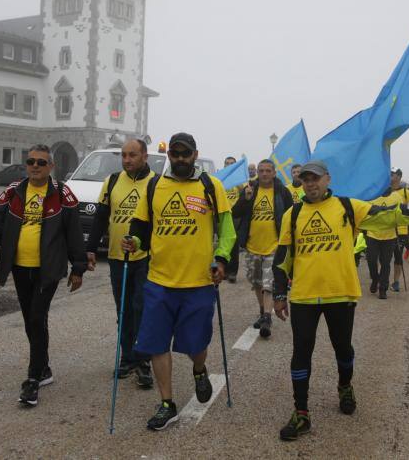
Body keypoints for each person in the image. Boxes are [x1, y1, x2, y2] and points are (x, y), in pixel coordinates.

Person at [272, 160, 409, 441]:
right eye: (305, 179)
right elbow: (282, 258)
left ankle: (345, 386)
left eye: (315, 178)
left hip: (341, 293)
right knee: (301, 354)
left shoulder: (347, 207)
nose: (310, 183)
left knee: (343, 349)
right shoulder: (293, 214)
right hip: (303, 296)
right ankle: (301, 413)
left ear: (327, 178)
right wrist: (279, 294)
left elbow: (388, 216)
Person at [122, 132, 236, 431]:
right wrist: (133, 241)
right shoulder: (155, 186)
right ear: (169, 156)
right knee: (157, 344)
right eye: (176, 154)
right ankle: (167, 404)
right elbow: (140, 229)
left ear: (195, 155)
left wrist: (221, 259)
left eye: (186, 154)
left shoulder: (212, 186)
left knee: (194, 344)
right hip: (159, 281)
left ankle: (199, 370)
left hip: (198, 282)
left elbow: (227, 230)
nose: (181, 159)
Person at [0, 144, 88, 407]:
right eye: (31, 162)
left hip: (48, 269)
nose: (35, 166)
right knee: (31, 319)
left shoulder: (62, 194)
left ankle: (33, 379)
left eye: (41, 162)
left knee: (37, 317)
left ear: (51, 167)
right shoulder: (12, 192)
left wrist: (78, 267)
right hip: (19, 267)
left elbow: (73, 232)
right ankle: (44, 367)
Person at [86, 139, 155, 389]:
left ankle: (144, 360)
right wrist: (91, 248)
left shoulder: (156, 183)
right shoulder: (112, 181)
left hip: (146, 257)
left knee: (142, 308)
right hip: (117, 257)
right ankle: (127, 358)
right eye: (124, 155)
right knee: (123, 309)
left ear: (145, 156)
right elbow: (101, 217)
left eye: (132, 155)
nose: (127, 160)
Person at [233, 159, 293, 337]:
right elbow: (235, 213)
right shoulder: (250, 190)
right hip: (252, 246)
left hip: (274, 247)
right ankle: (262, 311)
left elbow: (291, 215)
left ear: (274, 173)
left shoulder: (282, 192)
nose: (265, 173)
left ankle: (267, 317)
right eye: (261, 170)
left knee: (268, 283)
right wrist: (245, 199)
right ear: (257, 173)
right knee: (256, 282)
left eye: (268, 170)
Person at [363, 178, 402, 299]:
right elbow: (365, 212)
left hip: (389, 236)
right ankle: (375, 279)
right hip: (372, 234)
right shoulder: (372, 195)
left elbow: (400, 214)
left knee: (386, 263)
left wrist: (401, 230)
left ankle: (383, 288)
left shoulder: (397, 197)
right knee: (371, 261)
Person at [222, 156, 245, 283]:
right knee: (223, 243)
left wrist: (239, 183)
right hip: (222, 214)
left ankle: (232, 273)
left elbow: (244, 192)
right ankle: (224, 270)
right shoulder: (221, 179)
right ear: (224, 165)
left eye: (232, 163)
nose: (230, 165)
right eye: (227, 163)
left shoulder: (240, 179)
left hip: (235, 215)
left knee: (234, 244)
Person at [390, 169, 409, 292]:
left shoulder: (406, 192)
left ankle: (395, 282)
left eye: (392, 174)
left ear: (399, 176)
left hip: (401, 230)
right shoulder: (384, 190)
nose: (390, 176)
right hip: (386, 229)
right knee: (384, 257)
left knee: (398, 257)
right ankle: (381, 279)